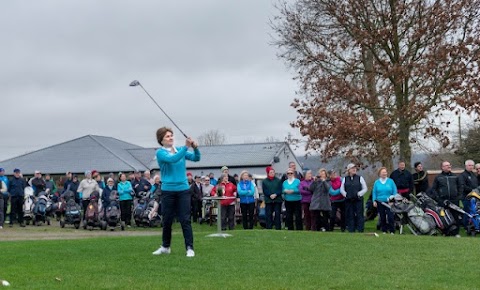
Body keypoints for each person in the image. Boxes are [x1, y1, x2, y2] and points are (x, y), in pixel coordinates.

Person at [152, 127, 200, 258]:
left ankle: (189, 248)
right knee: (167, 220)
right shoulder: (160, 153)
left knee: (185, 220)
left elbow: (196, 158)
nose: (171, 138)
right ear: (161, 140)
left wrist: (195, 148)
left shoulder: (180, 149)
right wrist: (186, 147)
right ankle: (165, 246)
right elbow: (173, 159)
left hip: (183, 190)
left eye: (171, 135)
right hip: (168, 190)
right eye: (167, 136)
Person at [430, 161, 463, 237]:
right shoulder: (438, 177)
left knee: (455, 217)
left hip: (454, 200)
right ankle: (445, 232)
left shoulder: (455, 176)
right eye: (446, 165)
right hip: (443, 201)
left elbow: (460, 187)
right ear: (442, 167)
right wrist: (438, 199)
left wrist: (458, 197)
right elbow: (434, 189)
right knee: (444, 217)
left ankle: (456, 233)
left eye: (449, 165)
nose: (449, 166)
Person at [340, 164, 368, 233]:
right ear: (348, 170)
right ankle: (351, 229)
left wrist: (359, 194)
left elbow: (365, 188)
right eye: (352, 168)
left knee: (359, 214)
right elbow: (342, 189)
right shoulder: (345, 179)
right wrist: (346, 195)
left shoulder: (360, 178)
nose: (354, 169)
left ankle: (360, 229)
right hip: (349, 200)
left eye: (355, 168)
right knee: (350, 214)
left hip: (358, 200)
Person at [372, 167, 397, 234]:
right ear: (379, 174)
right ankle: (384, 230)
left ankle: (392, 230)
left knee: (390, 216)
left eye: (385, 172)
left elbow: (395, 191)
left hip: (389, 202)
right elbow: (374, 192)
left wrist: (392, 200)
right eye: (383, 172)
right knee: (382, 216)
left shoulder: (391, 181)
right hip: (380, 201)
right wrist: (374, 200)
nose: (384, 174)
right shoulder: (376, 182)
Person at [459, 160, 478, 230]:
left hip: (475, 197)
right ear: (466, 166)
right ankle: (465, 225)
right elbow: (463, 186)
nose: (471, 167)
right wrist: (472, 190)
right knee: (467, 212)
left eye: (472, 165)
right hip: (466, 197)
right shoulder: (462, 175)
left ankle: (473, 225)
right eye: (469, 165)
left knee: (474, 212)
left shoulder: (473, 175)